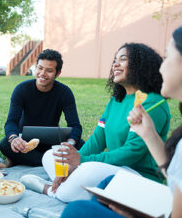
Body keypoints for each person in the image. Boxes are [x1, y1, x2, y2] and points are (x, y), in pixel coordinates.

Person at [61, 17, 182, 218]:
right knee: (104, 188)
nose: (161, 67)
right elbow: (177, 176)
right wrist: (150, 135)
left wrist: (136, 214)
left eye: (167, 57)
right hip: (147, 187)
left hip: (145, 183)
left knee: (77, 210)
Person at [21, 43, 171, 203]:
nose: (115, 64)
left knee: (87, 171)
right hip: (115, 168)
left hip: (140, 176)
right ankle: (76, 187)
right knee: (51, 156)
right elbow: (97, 140)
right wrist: (73, 163)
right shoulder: (116, 101)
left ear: (141, 65)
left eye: (123, 59)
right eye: (115, 60)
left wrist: (82, 161)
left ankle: (52, 190)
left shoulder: (152, 103)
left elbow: (132, 152)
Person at [0, 49, 84, 166]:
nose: (42, 73)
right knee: (5, 143)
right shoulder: (21, 89)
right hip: (26, 143)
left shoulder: (65, 92)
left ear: (57, 73)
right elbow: (11, 122)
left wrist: (70, 143)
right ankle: (51, 161)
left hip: (52, 141)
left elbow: (75, 125)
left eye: (49, 70)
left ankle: (39, 160)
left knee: (81, 144)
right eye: (40, 68)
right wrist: (14, 138)